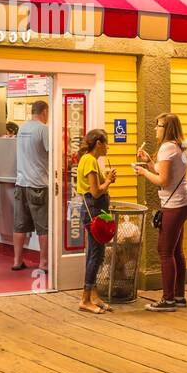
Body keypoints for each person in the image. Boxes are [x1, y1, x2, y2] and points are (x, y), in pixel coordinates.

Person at [135, 113, 187, 311]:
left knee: (164, 251)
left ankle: (168, 300)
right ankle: (179, 296)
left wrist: (143, 172)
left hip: (174, 204)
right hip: (185, 202)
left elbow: (163, 181)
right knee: (177, 251)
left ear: (166, 127)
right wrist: (149, 163)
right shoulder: (181, 145)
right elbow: (167, 172)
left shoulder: (167, 147)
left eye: (158, 125)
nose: (155, 129)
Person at [76, 129, 117, 314]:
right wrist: (107, 181)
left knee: (95, 253)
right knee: (96, 254)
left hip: (95, 210)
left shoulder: (88, 160)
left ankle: (93, 295)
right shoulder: (90, 161)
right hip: (93, 210)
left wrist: (106, 178)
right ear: (98, 143)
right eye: (106, 143)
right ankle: (85, 299)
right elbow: (95, 192)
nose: (108, 146)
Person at [12, 100, 50, 273]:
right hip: (38, 184)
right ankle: (43, 263)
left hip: (21, 183)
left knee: (19, 225)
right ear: (44, 112)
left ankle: (17, 261)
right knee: (43, 226)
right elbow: (52, 153)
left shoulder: (22, 128)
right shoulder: (43, 129)